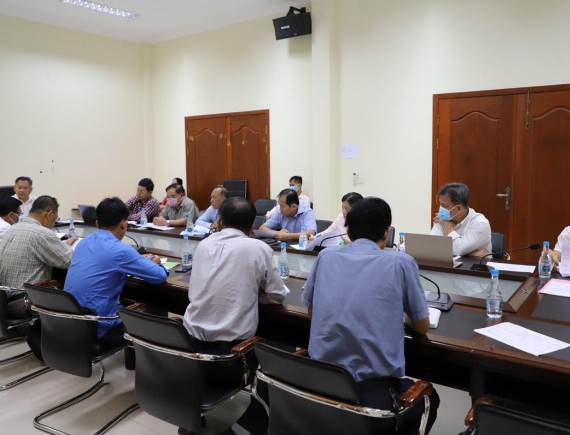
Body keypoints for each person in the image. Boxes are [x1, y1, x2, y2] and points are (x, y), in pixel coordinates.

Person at [301, 197, 439, 435]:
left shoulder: (326, 257)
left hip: (321, 390)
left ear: (348, 232)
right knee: (430, 397)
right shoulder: (402, 262)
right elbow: (421, 327)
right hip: (373, 403)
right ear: (387, 232)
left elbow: (313, 313)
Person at [183, 197, 287, 435]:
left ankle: (193, 412)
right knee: (280, 366)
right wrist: (250, 294)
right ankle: (244, 430)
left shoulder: (203, 245)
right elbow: (277, 296)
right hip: (230, 360)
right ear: (252, 227)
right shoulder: (258, 248)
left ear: (219, 222)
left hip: (190, 355)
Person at [64, 197, 168, 345]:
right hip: (98, 328)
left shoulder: (83, 242)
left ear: (97, 223)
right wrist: (155, 263)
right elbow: (160, 276)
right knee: (157, 309)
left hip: (70, 322)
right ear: (124, 224)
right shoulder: (121, 250)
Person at [0, 195, 77, 294]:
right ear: (49, 214)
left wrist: (61, 244)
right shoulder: (42, 234)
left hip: (2, 295)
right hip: (25, 297)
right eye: (56, 218)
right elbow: (70, 261)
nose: (54, 222)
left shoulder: (13, 228)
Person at [430, 182, 492, 257]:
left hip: (476, 264)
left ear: (458, 208)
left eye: (445, 205)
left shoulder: (480, 223)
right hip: (449, 262)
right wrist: (468, 253)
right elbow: (433, 247)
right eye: (440, 204)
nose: (441, 209)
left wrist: (449, 226)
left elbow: (459, 249)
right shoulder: (442, 218)